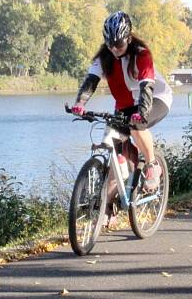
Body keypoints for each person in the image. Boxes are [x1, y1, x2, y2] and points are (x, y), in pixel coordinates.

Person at [71, 11, 172, 192]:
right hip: (125, 105)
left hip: (155, 98)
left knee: (136, 126)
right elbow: (91, 82)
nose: (114, 49)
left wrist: (142, 113)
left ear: (129, 38)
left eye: (118, 44)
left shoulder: (142, 55)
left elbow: (146, 88)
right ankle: (108, 210)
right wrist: (80, 103)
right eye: (110, 44)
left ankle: (151, 165)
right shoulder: (104, 57)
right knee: (116, 156)